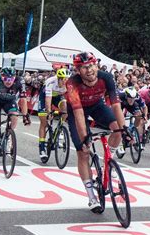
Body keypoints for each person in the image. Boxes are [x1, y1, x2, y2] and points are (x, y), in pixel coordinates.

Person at [65, 52, 127, 213]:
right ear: (78, 70)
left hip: (97, 105)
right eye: (84, 67)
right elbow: (78, 113)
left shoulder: (106, 77)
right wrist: (85, 137)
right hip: (77, 110)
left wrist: (124, 128)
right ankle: (92, 196)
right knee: (83, 152)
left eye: (91, 65)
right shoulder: (72, 83)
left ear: (97, 65)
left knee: (117, 129)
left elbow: (115, 105)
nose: (89, 70)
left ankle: (109, 162)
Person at [0, 67, 30, 161]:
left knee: (15, 117)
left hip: (10, 101)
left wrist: (25, 116)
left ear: (15, 77)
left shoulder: (20, 81)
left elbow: (23, 99)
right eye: (6, 78)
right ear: (2, 77)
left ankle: (7, 135)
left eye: (11, 79)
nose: (9, 81)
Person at [37, 68, 69, 160]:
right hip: (45, 97)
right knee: (43, 122)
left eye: (67, 79)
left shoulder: (68, 84)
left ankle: (60, 129)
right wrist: (48, 112)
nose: (65, 81)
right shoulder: (51, 82)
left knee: (65, 109)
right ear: (59, 78)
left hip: (57, 96)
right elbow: (48, 100)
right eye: (64, 79)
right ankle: (42, 148)